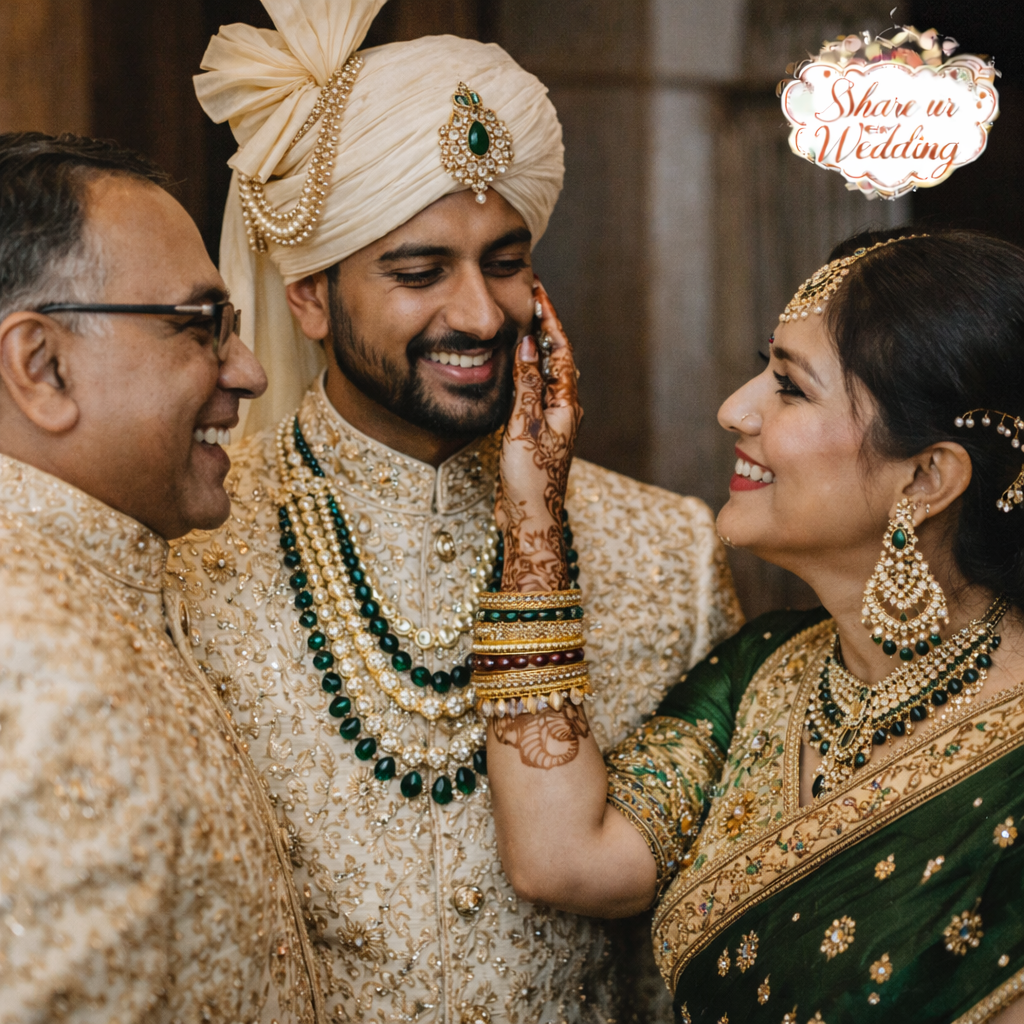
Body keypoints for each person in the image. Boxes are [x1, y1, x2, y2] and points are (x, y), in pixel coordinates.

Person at [170, 1, 742, 1021]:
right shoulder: (193, 548)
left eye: (507, 261)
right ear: (307, 293)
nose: (479, 313)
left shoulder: (668, 550)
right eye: (419, 270)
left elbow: (688, 954)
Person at [485, 228, 1024, 1024]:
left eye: (790, 387)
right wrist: (532, 521)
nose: (734, 409)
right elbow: (566, 859)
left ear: (927, 478)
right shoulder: (763, 672)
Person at [0, 132, 322, 1023]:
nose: (251, 371)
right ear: (43, 368)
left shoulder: (97, 590)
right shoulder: (36, 658)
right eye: (200, 326)